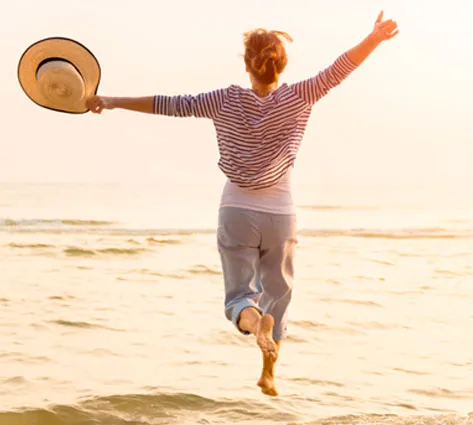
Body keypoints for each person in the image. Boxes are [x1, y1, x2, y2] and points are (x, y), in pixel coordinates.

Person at [86, 12, 399, 397]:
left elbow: (168, 104)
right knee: (278, 296)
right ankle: (269, 373)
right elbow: (339, 69)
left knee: (238, 297)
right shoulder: (300, 96)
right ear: (281, 64)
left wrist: (111, 100)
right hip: (280, 213)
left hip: (236, 209)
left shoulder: (224, 99)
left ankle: (253, 326)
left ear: (246, 64)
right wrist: (374, 38)